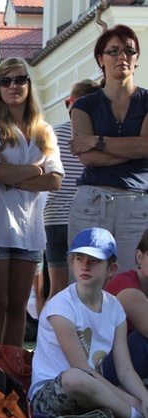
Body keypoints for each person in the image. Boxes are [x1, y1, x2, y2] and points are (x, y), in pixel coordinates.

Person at [0, 58, 63, 350]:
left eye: (19, 79)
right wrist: (34, 170)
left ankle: (11, 370)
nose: (13, 86)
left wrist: (14, 178)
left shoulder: (44, 131)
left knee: (18, 307)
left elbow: (54, 181)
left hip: (30, 231)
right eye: (5, 81)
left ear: (29, 83)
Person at [30, 228, 148, 418]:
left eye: (94, 260)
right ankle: (134, 416)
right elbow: (82, 369)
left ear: (111, 269)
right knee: (75, 378)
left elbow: (125, 369)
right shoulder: (61, 306)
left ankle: (123, 407)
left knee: (123, 385)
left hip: (93, 388)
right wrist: (134, 402)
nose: (85, 266)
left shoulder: (115, 306)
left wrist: (144, 397)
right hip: (52, 392)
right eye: (79, 258)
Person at [69, 25, 148, 272]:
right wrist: (133, 149)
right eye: (113, 51)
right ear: (100, 59)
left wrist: (97, 141)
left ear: (137, 59)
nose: (121, 56)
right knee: (86, 285)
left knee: (132, 284)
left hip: (137, 205)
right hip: (91, 203)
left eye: (128, 50)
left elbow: (146, 146)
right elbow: (89, 158)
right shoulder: (83, 104)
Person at [44, 80, 101, 301]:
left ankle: (49, 335)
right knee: (86, 289)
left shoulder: (53, 133)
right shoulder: (97, 137)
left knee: (57, 289)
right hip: (85, 218)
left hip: (53, 219)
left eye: (70, 102)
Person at [100, 229, 148, 385]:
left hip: (124, 366)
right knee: (143, 340)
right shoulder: (126, 286)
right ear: (139, 257)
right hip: (101, 369)